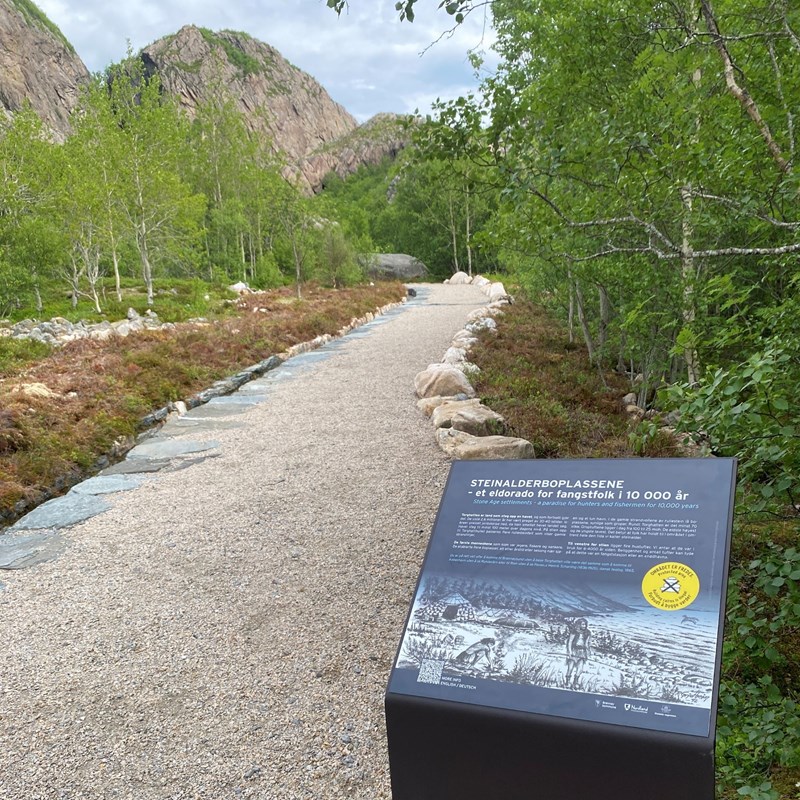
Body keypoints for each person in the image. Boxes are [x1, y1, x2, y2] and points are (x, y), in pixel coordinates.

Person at [565, 618, 591, 690]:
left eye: (585, 624)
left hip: (582, 652)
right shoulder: (574, 632)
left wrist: (588, 652)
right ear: (579, 624)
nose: (584, 626)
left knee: (580, 669)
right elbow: (569, 642)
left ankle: (575, 682)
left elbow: (587, 643)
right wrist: (569, 652)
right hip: (574, 651)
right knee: (570, 668)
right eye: (582, 624)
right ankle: (567, 682)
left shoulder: (587, 633)